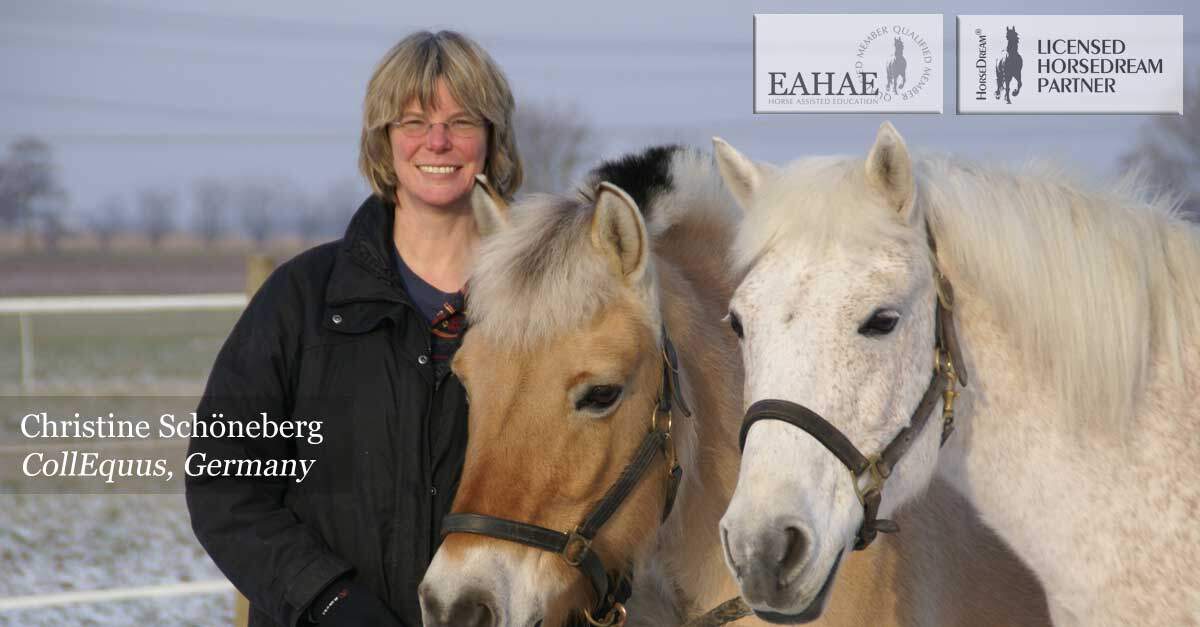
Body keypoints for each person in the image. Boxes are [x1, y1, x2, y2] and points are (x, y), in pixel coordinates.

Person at [185, 30, 522, 627]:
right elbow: (224, 487)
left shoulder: (542, 306)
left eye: (461, 120)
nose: (437, 141)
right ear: (383, 140)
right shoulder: (300, 301)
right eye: (413, 121)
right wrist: (328, 600)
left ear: (492, 138)